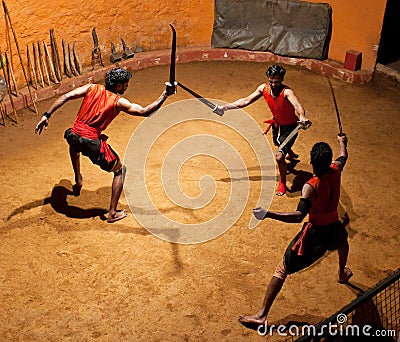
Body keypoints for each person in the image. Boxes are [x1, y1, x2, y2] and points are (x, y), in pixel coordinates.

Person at [239, 134, 352, 330]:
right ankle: (341, 273)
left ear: (312, 162)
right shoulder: (336, 169)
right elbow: (343, 156)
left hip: (315, 233)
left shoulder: (310, 186)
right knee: (343, 241)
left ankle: (261, 315)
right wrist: (343, 142)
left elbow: (298, 216)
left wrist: (268, 214)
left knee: (282, 269)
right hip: (334, 227)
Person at [35, 67, 174, 223]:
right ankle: (112, 213)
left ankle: (78, 179)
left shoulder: (92, 87)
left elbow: (67, 96)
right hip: (90, 142)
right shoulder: (118, 102)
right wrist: (165, 95)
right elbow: (144, 111)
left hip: (74, 134)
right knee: (120, 171)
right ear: (117, 85)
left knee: (74, 143)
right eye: (125, 84)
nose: (127, 87)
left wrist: (46, 115)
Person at [216, 64, 309, 196]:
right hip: (278, 125)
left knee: (279, 156)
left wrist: (302, 116)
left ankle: (282, 182)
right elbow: (246, 100)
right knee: (278, 143)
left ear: (282, 79)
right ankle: (291, 153)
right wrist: (224, 107)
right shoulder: (263, 88)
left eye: (276, 82)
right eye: (271, 81)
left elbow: (297, 105)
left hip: (290, 128)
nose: (273, 84)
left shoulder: (287, 92)